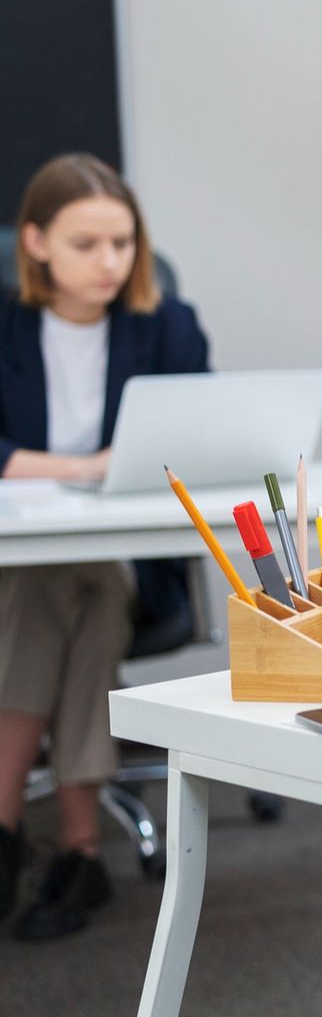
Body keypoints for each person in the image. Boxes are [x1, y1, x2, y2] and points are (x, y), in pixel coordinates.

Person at [0, 153, 210, 940]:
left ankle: (6, 824)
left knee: (68, 580)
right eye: (86, 244)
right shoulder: (5, 325)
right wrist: (82, 467)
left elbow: (201, 433)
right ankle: (81, 849)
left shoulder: (165, 325)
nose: (110, 263)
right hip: (15, 563)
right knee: (55, 584)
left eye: (123, 243)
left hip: (127, 563)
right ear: (36, 242)